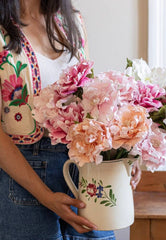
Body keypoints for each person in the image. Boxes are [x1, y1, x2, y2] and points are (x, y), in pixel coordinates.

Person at [0, 1, 142, 239]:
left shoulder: (72, 21)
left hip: (86, 168)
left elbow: (90, 101)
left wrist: (122, 152)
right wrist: (45, 196)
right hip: (24, 177)